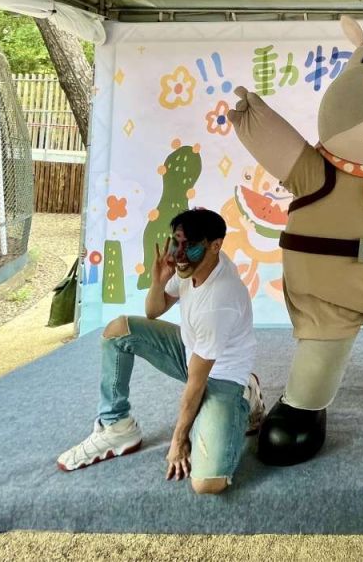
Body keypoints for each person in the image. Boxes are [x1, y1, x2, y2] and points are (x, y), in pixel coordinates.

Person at [57, 208, 263, 494]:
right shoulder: (191, 266)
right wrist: (159, 279)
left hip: (222, 376)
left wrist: (178, 440)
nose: (178, 253)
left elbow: (197, 382)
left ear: (216, 246)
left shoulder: (220, 299)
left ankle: (245, 398)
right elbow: (153, 310)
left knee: (207, 483)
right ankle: (116, 426)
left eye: (189, 245)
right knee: (119, 330)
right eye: (176, 242)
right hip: (191, 350)